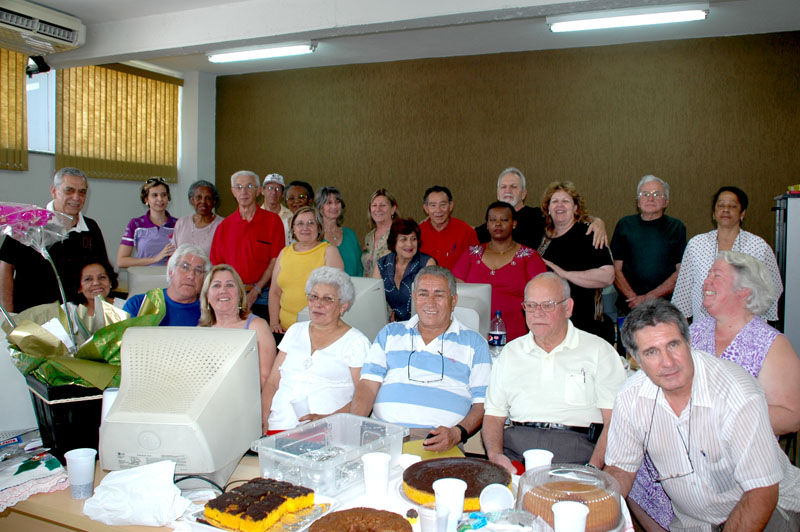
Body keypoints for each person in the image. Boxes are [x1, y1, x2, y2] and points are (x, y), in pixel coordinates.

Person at [629, 252, 800, 531]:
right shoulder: (696, 331)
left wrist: (721, 417)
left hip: (741, 460)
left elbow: (792, 416)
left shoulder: (771, 344)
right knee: (636, 462)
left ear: (744, 290)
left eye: (716, 275)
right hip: (685, 449)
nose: (705, 281)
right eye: (707, 274)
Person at [483, 273, 625, 473]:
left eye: (547, 305)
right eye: (530, 306)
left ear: (568, 307)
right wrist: (495, 455)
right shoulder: (511, 352)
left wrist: (593, 468)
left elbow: (614, 422)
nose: (537, 313)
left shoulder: (599, 351)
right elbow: (493, 416)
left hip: (577, 457)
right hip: (517, 456)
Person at [352, 266, 491, 452]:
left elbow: (482, 403)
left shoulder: (475, 343)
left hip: (437, 441)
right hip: (383, 436)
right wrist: (353, 429)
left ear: (453, 300)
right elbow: (367, 387)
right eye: (423, 294)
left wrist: (457, 434)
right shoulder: (390, 333)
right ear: (415, 297)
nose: (430, 303)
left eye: (439, 295)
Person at [262, 267, 370, 434]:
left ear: (343, 306)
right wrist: (262, 418)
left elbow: (364, 397)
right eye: (313, 297)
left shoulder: (356, 342)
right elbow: (272, 382)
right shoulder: (294, 331)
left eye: (328, 299)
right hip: (277, 428)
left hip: (328, 432)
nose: (318, 304)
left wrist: (328, 419)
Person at [0, 167, 109, 311]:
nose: (76, 197)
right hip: (31, 315)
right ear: (53, 191)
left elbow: (102, 272)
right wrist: (7, 313)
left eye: (82, 192)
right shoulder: (29, 222)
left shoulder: (91, 228)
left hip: (76, 317)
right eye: (69, 190)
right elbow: (5, 268)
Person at [672, 186, 782, 321]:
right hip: (704, 325)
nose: (725, 210)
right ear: (713, 213)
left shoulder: (759, 246)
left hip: (745, 327)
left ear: (743, 213)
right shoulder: (696, 244)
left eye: (733, 206)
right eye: (721, 205)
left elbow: (773, 287)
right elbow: (683, 290)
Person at [453, 201, 547, 341]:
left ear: (514, 223)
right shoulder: (471, 254)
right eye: (493, 220)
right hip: (473, 334)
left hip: (518, 337)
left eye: (504, 220)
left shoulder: (529, 256)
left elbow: (543, 296)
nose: (498, 224)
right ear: (487, 224)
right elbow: (455, 291)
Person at [538, 181, 615, 342]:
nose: (559, 205)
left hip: (587, 326)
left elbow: (607, 276)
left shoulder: (589, 233)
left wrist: (565, 274)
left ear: (575, 207)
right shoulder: (542, 238)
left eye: (565, 201)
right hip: (552, 326)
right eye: (555, 201)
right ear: (548, 209)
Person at [199, 264, 277, 418]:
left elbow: (265, 379)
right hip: (209, 409)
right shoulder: (201, 331)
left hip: (246, 409)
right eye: (216, 285)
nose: (223, 290)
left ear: (240, 294)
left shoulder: (257, 327)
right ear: (207, 296)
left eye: (229, 285)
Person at [210, 170, 286, 317]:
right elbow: (218, 265)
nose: (243, 191)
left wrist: (256, 290)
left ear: (258, 191)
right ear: (233, 192)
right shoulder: (224, 226)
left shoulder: (273, 221)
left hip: (264, 294)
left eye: (249, 186)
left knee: (263, 336)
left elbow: (276, 260)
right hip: (233, 293)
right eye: (238, 187)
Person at [475, 167, 608, 249]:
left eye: (514, 187)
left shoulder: (538, 215)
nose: (508, 190)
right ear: (498, 193)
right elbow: (467, 233)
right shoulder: (490, 225)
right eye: (503, 187)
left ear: (524, 194)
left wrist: (598, 222)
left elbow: (570, 217)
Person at [611, 175, 686, 316]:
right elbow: (616, 269)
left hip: (664, 306)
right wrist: (634, 299)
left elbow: (681, 272)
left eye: (657, 194)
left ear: (666, 201)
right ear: (638, 202)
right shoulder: (625, 225)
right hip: (629, 305)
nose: (650, 198)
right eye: (645, 194)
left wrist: (648, 298)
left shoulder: (676, 228)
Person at [268, 207, 344, 333]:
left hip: (317, 331)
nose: (305, 228)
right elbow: (275, 292)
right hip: (284, 331)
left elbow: (337, 295)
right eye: (300, 223)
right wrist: (274, 323)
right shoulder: (284, 252)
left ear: (319, 227)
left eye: (311, 223)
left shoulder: (329, 252)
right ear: (293, 228)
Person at [123, 243, 210, 326]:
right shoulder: (138, 305)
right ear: (171, 271)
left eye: (198, 271)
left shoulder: (208, 313)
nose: (191, 276)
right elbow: (117, 339)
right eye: (185, 267)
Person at [372, 218, 436, 322]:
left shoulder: (427, 264)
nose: (409, 244)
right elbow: (373, 300)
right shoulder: (382, 265)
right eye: (403, 239)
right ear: (394, 241)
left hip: (424, 323)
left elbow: (433, 300)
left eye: (413, 239)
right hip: (396, 325)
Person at [117, 177, 178, 268]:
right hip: (143, 278)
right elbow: (121, 261)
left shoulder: (178, 224)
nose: (160, 199)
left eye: (163, 195)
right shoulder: (136, 224)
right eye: (154, 195)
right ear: (146, 199)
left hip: (169, 278)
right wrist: (155, 259)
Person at [418, 185, 479, 271]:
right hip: (426, 282)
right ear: (426, 208)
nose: (438, 210)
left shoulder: (466, 231)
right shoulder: (417, 232)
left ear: (451, 206)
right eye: (433, 205)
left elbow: (477, 262)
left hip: (458, 283)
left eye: (443, 205)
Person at [316, 186, 363, 277]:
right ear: (320, 207)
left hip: (355, 288)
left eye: (337, 202)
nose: (334, 206)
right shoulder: (315, 237)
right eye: (329, 203)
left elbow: (360, 268)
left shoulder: (350, 234)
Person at [172, 180, 224, 256]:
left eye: (208, 198)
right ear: (192, 200)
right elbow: (174, 255)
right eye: (198, 197)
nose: (203, 201)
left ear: (214, 202)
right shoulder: (182, 223)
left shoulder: (223, 225)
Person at [361, 189, 398, 275]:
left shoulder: (399, 234)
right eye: (374, 205)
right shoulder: (368, 237)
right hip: (369, 286)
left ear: (393, 209)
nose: (378, 209)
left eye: (383, 205)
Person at [261, 173, 293, 243]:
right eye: (270, 188)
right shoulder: (254, 216)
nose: (273, 192)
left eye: (278, 189)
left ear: (282, 194)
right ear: (262, 191)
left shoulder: (291, 216)